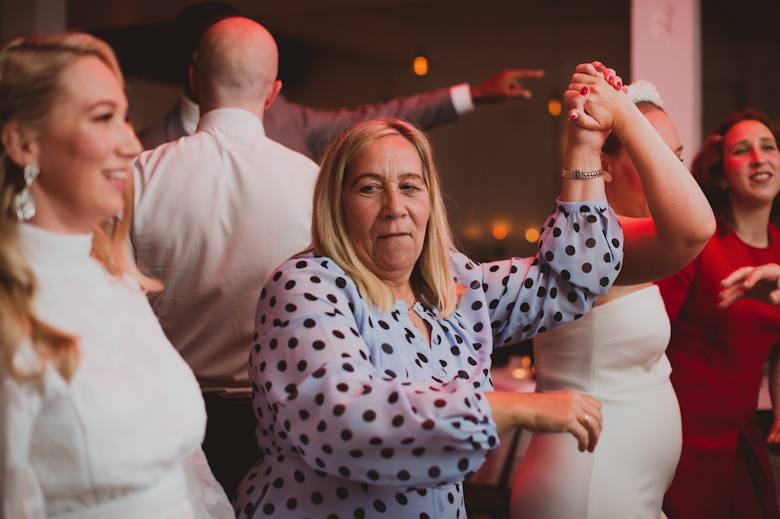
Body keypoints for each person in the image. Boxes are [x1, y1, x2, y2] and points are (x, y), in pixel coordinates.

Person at [231, 64, 630, 518]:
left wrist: (582, 148)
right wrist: (518, 409)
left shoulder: (454, 288)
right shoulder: (307, 286)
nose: (394, 208)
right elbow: (345, 422)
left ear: (429, 199)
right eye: (368, 188)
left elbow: (572, 280)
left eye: (409, 186)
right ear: (336, 206)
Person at [0, 33, 231, 518]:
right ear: (23, 142)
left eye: (124, 116)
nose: (131, 142)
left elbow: (187, 470)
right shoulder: (10, 307)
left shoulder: (115, 279)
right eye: (103, 117)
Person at [510, 76, 715, 518]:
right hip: (589, 484)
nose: (674, 173)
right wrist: (622, 111)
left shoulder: (624, 240)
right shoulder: (591, 247)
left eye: (677, 158)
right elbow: (694, 229)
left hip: (619, 484)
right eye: (652, 155)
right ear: (604, 166)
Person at [132, 18, 319, 499]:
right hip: (284, 427)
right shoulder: (315, 185)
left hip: (165, 420)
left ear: (194, 79)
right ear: (273, 92)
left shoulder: (139, 177)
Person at [136, 2, 544, 158]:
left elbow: (381, 115)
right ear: (193, 69)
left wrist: (470, 95)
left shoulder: (291, 122)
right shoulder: (144, 150)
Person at [657, 109, 780, 519]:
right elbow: (649, 336)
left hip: (747, 433)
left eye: (768, 147)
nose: (759, 158)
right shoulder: (699, 239)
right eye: (743, 151)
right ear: (722, 174)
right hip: (682, 436)